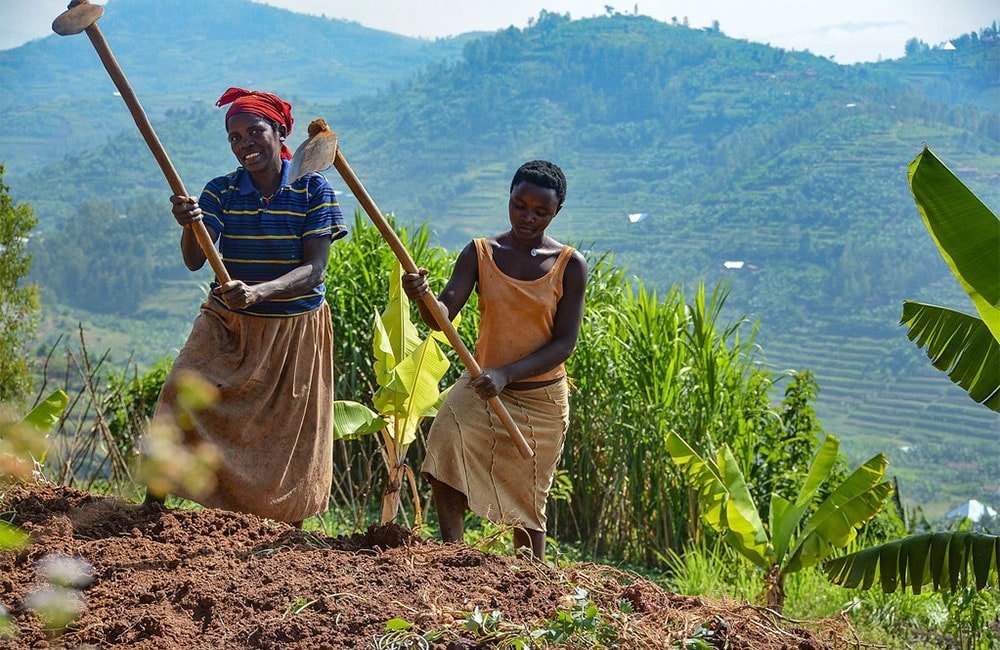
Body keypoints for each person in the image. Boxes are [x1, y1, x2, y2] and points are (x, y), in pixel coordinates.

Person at [148, 87, 347, 526]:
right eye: (235, 138)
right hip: (227, 321)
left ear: (279, 132)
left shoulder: (313, 189)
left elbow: (314, 270)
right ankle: (151, 507)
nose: (244, 144)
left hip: (293, 328)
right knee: (179, 390)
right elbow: (194, 259)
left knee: (286, 432)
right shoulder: (220, 191)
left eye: (254, 131)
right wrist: (190, 225)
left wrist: (261, 291)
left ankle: (286, 527)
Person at [402, 160, 587, 561]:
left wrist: (506, 374)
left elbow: (564, 344)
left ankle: (530, 581)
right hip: (481, 386)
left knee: (528, 495)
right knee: (446, 443)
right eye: (520, 205)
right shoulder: (481, 253)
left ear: (557, 212)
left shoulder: (569, 266)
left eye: (541, 211)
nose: (528, 217)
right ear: (509, 198)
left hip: (540, 399)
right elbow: (442, 317)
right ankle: (454, 556)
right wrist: (421, 295)